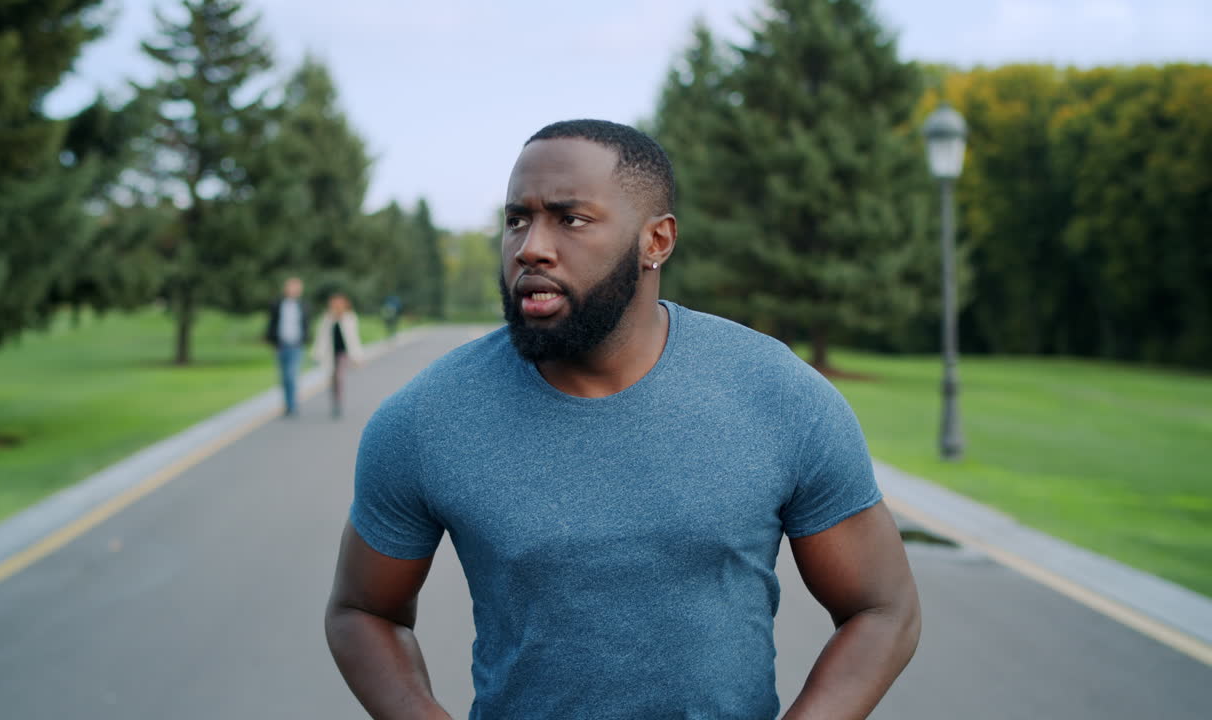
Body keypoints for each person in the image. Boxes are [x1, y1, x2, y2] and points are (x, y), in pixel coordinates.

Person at [325, 120, 920, 719]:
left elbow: (882, 608)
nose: (530, 247)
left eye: (570, 219)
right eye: (517, 220)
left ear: (656, 241)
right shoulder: (427, 418)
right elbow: (363, 611)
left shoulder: (778, 394)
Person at [312, 292, 363, 419]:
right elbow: (321, 337)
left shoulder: (350, 318)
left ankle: (338, 404)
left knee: (339, 377)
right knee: (332, 379)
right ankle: (335, 402)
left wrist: (357, 356)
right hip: (330, 353)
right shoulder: (327, 319)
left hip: (343, 353)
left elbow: (354, 338)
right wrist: (317, 353)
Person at [265, 277, 309, 417]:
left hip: (296, 345)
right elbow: (272, 323)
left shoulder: (303, 305)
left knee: (291, 375)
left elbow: (306, 324)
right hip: (281, 345)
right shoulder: (278, 304)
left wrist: (305, 339)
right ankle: (287, 404)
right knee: (284, 377)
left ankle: (292, 405)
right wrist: (272, 341)